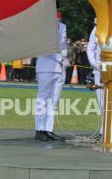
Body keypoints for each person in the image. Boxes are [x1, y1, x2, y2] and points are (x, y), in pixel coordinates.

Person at [34, 11, 68, 141]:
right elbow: (45, 48)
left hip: (59, 68)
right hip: (46, 66)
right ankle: (39, 129)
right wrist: (60, 58)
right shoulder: (43, 26)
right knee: (43, 98)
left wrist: (65, 56)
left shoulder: (63, 27)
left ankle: (48, 129)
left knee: (54, 100)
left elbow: (63, 45)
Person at [86, 18, 104, 135]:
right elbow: (90, 49)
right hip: (100, 69)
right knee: (101, 100)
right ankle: (104, 130)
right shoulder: (97, 29)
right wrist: (95, 64)